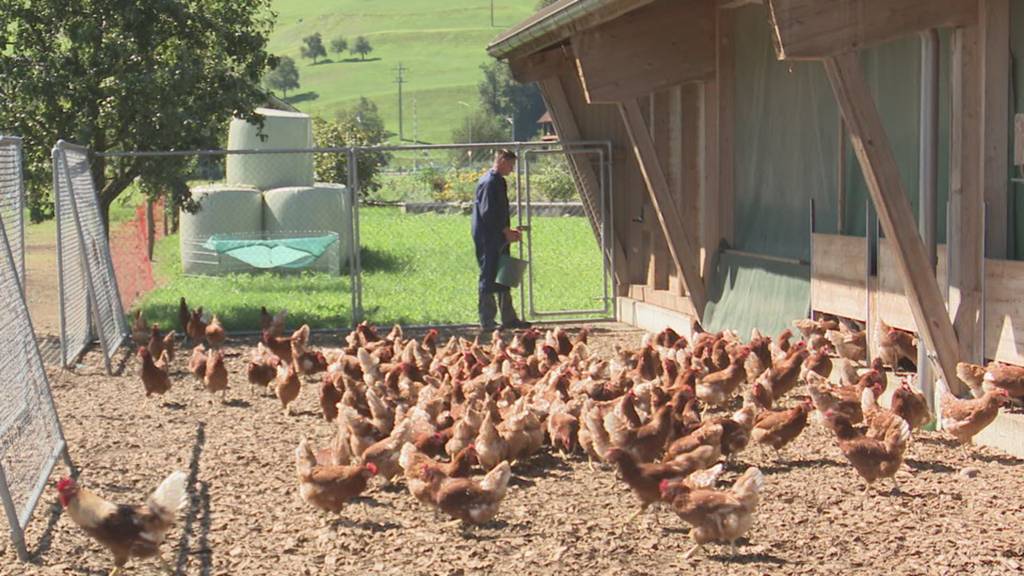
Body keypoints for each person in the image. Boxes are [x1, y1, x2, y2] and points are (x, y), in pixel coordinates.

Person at [471, 149, 531, 330]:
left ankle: (509, 318)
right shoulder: (490, 182)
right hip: (487, 237)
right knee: (489, 275)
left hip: (497, 235)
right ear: (502, 160)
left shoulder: (498, 181)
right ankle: (487, 321)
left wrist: (506, 230)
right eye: (511, 165)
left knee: (504, 274)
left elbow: (497, 213)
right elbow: (488, 213)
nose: (512, 169)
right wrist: (505, 231)